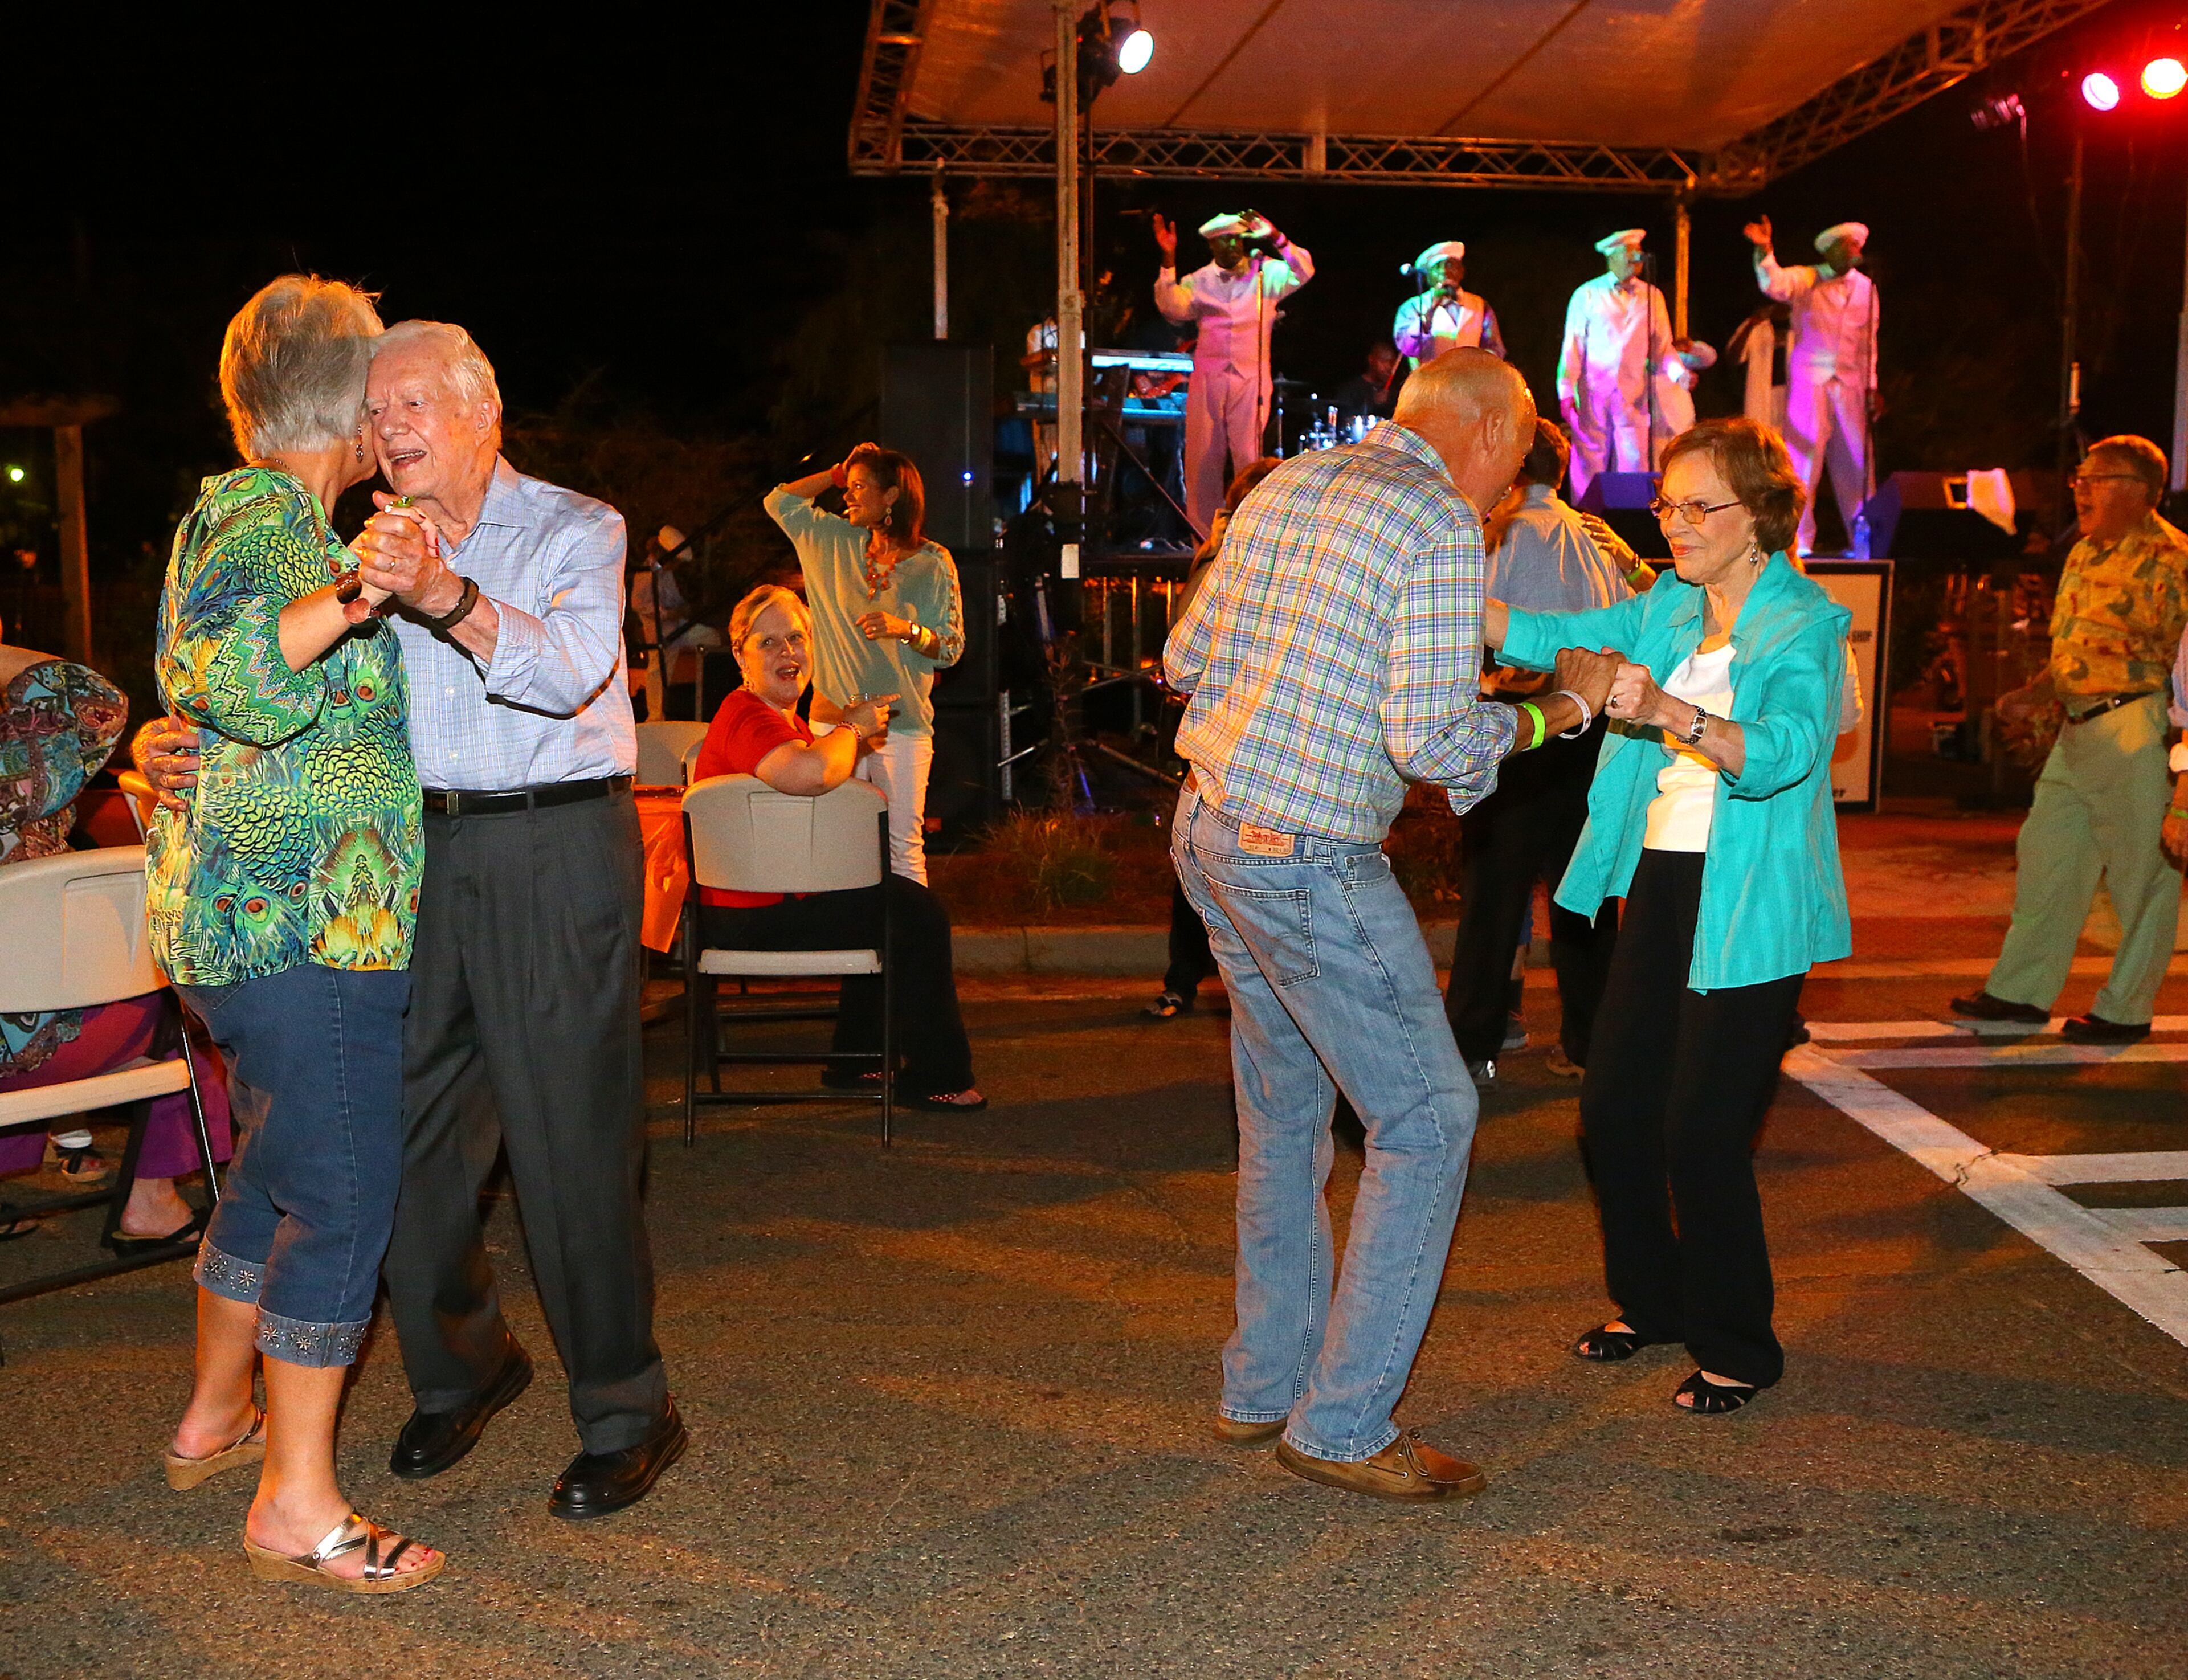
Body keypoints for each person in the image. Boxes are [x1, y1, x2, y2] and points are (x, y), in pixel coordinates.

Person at [137, 320, 684, 1519]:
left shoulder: (575, 526)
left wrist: (450, 595)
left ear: (485, 407)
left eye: (414, 403)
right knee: (407, 1138)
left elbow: (572, 670)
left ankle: (626, 1407)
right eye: (374, 410)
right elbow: (253, 669)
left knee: (569, 1141)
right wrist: (161, 743)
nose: (388, 430)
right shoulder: (351, 551)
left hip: (551, 836)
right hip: (406, 859)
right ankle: (462, 1364)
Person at [1166, 347, 1619, 1500]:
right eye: (1519, 449)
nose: (1519, 476)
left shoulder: (1289, 484)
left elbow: (1182, 657)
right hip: (1307, 854)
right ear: (1476, 426)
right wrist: (1559, 710)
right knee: (1427, 1118)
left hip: (1210, 828)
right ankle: (1344, 1422)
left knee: (1283, 1119)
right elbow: (1430, 741)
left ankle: (1263, 1386)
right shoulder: (1433, 525)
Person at [149, 275, 442, 1591]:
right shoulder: (261, 511)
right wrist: (363, 596)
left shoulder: (264, 522)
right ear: (341, 396)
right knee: (339, 1193)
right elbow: (246, 683)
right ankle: (298, 1500)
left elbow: (212, 694)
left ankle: (217, 1418)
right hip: (299, 924)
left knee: (275, 1171)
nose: (390, 414)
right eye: (377, 386)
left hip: (264, 924)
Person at [1484, 416, 1852, 1415]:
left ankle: (1740, 1345)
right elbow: (1567, 640)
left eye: (1699, 506)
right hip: (1659, 878)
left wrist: (1672, 714)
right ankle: (1652, 1301)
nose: (1674, 523)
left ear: (1760, 516)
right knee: (1613, 1111)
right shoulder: (1670, 605)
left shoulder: (1801, 623)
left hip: (1752, 900)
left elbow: (1785, 751)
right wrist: (1471, 611)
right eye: (1666, 504)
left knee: (1702, 1130)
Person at [693, 586, 986, 1111]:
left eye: (798, 639)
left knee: (885, 900)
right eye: (769, 642)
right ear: (740, 654)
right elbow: (809, 774)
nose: (788, 653)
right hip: (750, 913)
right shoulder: (747, 714)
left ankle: (857, 1059)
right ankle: (936, 1076)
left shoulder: (785, 721)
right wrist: (852, 726)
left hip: (768, 902)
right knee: (914, 913)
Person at [0, 629, 236, 1246]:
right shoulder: (27, 768)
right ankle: (151, 1202)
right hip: (51, 1047)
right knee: (161, 1006)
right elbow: (92, 693)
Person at [1953, 436, 2188, 1044]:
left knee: (2144, 878)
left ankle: (2126, 1008)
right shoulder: (2084, 551)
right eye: (2079, 479)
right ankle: (2022, 992)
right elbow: (2074, 648)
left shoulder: (2175, 559)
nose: (2079, 489)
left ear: (2138, 490)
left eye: (2095, 479)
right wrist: (2033, 695)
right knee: (2048, 861)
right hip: (2077, 728)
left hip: (2140, 728)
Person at [1444, 419, 1631, 1082]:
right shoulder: (1594, 535)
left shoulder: (1494, 533)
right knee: (1583, 894)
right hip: (1591, 725)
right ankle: (1592, 1042)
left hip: (1519, 724)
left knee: (1495, 893)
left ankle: (1473, 1041)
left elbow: (1470, 631)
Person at [765, 445, 966, 885]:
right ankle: (837, 945)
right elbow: (779, 501)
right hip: (833, 725)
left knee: (903, 851)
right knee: (832, 844)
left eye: (859, 487)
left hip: (903, 726)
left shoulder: (933, 563)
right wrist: (836, 473)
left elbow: (951, 648)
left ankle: (907, 948)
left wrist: (907, 630)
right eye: (847, 487)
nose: (848, 497)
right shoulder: (831, 540)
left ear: (891, 496)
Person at [1144, 457, 1280, 1021]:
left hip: (1267, 736)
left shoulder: (1289, 566)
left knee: (1256, 864)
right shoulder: (1222, 561)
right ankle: (1185, 977)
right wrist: (1219, 548)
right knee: (1196, 861)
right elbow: (1181, 650)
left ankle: (1254, 985)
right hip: (1218, 734)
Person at [1153, 210, 1315, 535]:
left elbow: (1304, 270)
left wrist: (1276, 237)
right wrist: (1169, 259)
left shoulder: (1265, 274)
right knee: (1203, 460)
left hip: (1251, 378)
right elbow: (1171, 305)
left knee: (1248, 457)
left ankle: (1250, 534)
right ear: (1212, 246)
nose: (1232, 246)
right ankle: (1204, 541)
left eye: (1237, 239)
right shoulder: (1199, 280)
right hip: (1209, 378)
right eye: (1224, 241)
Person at [1744, 218, 1879, 555]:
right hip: (1810, 380)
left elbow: (1869, 342)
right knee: (1802, 460)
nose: (1854, 252)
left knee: (1858, 463)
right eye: (1847, 246)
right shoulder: (1808, 277)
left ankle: (1864, 541)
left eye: (1857, 247)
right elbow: (1774, 283)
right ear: (1830, 250)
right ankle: (1797, 542)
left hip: (1851, 383)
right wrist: (1764, 249)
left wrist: (1872, 385)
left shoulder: (1867, 288)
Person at [1557, 229, 1673, 504]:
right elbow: (1573, 345)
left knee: (1634, 458)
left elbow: (1663, 347)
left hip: (1633, 392)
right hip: (1594, 391)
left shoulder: (1652, 295)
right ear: (1612, 257)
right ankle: (1585, 519)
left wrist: (1679, 376)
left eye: (1638, 252)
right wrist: (1565, 389)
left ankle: (1631, 521)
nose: (1637, 258)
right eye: (1629, 252)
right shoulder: (1587, 294)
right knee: (1589, 457)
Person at [1393, 240, 1505, 370]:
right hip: (1432, 384)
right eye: (1437, 267)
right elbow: (1407, 347)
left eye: (1450, 265)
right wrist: (1431, 310)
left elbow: (1495, 347)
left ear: (1462, 271)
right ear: (1428, 276)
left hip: (1470, 383)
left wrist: (1478, 368)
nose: (1445, 271)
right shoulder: (1413, 307)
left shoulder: (1480, 305)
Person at [1727, 303, 1791, 432]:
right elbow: (1733, 358)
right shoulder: (1757, 325)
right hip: (1762, 397)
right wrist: (1750, 326)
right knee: (1762, 439)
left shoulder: (1804, 322)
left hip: (1794, 396)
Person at [1652, 339, 1718, 463]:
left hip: (1681, 423)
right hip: (1656, 427)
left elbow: (1709, 358)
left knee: (1683, 467)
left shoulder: (1677, 357)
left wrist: (1692, 346)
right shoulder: (1641, 359)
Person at [1326, 342, 1405, 433]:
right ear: (1371, 360)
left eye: (1392, 362)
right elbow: (1345, 421)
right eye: (1384, 361)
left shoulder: (1397, 391)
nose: (1388, 367)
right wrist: (1374, 403)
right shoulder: (1351, 389)